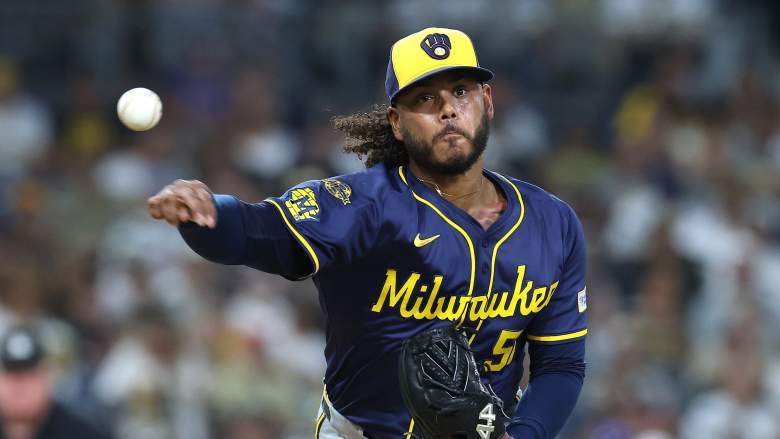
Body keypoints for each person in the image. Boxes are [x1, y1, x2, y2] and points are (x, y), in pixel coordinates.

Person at [148, 27, 587, 439]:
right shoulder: (362, 207)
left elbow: (560, 364)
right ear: (396, 122)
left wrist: (524, 434)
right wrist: (206, 212)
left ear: (486, 101)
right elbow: (256, 230)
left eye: (460, 91)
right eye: (425, 98)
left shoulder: (553, 223)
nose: (448, 109)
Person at [0, 325, 111, 439]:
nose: (20, 389)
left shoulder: (83, 433)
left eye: (29, 377)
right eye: (12, 378)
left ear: (48, 379)